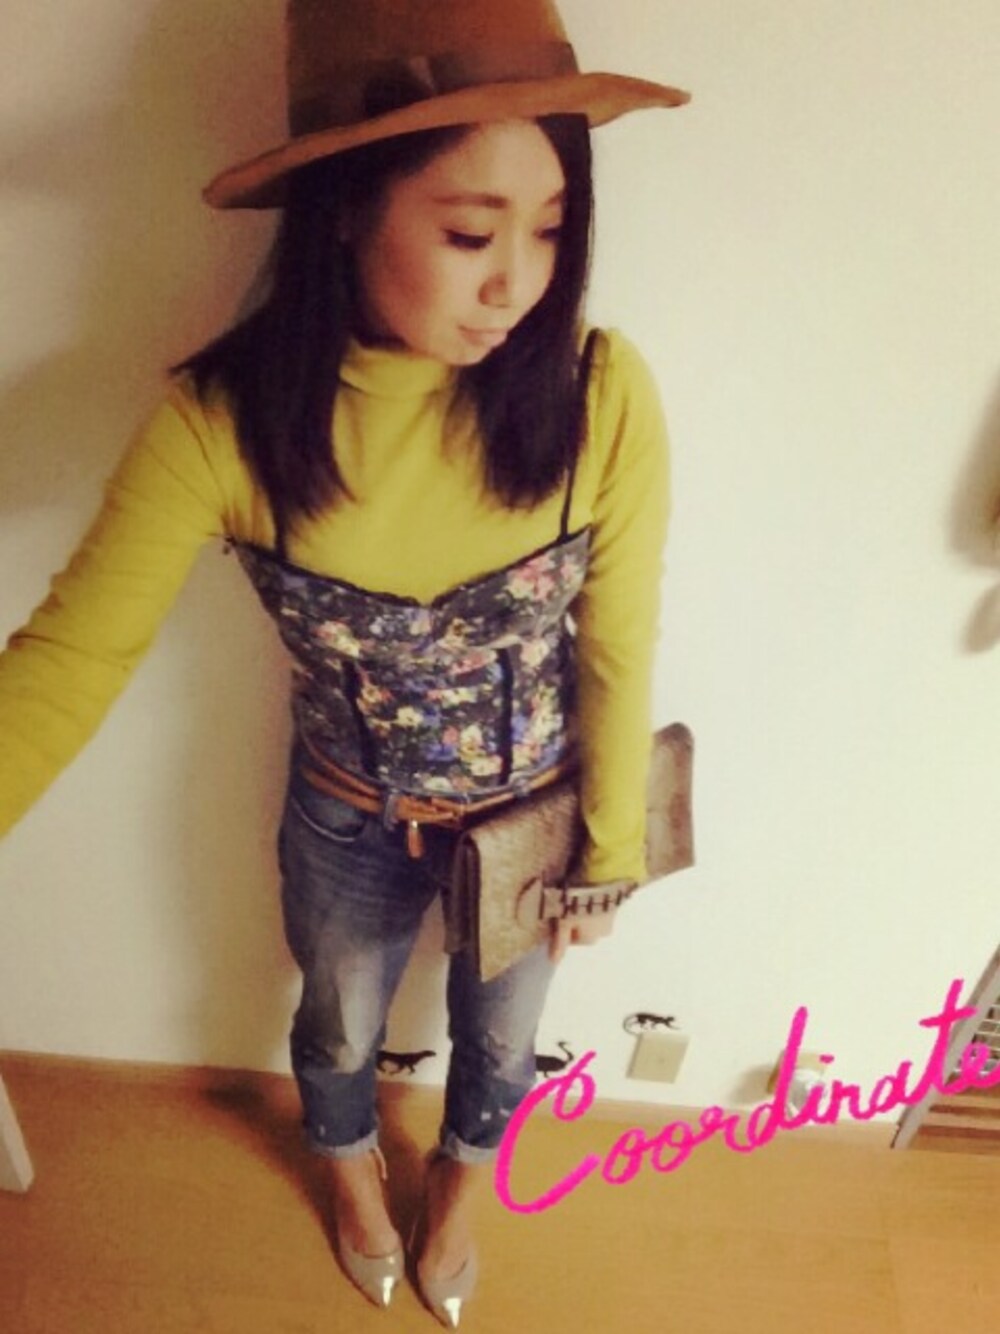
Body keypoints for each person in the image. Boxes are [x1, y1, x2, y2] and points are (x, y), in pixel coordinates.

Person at [0, 0, 688, 1324]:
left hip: (534, 819)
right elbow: (67, 659)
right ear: (344, 212)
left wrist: (609, 848)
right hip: (344, 813)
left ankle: (461, 1192)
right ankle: (351, 1173)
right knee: (333, 1022)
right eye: (472, 234)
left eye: (551, 229)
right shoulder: (218, 428)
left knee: (501, 1042)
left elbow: (620, 638)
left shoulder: (602, 393)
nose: (517, 283)